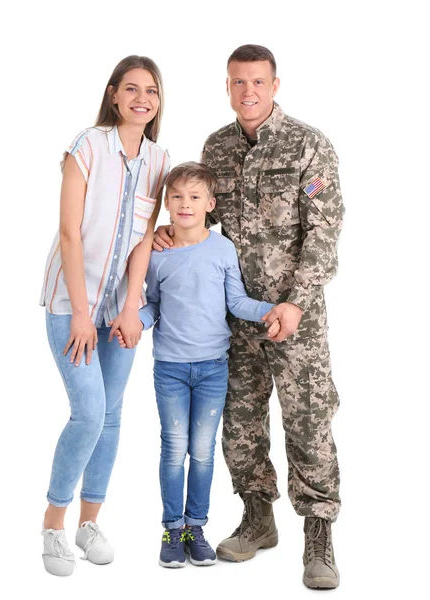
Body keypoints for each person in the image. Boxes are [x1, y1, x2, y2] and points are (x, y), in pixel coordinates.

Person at [153, 45, 344, 589]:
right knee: (238, 423)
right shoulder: (215, 148)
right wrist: (170, 234)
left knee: (308, 421)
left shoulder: (309, 145)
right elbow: (197, 215)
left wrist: (296, 300)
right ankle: (258, 518)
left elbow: (324, 234)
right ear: (228, 86)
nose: (248, 92)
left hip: (294, 316)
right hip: (232, 320)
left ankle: (320, 532)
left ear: (275, 85)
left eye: (258, 82)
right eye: (238, 82)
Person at [39, 55, 170, 576]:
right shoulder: (88, 145)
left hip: (119, 313)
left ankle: (89, 522)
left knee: (112, 414)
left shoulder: (160, 159)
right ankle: (53, 524)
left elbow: (142, 241)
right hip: (72, 306)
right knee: (89, 412)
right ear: (114, 94)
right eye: (132, 89)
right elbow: (70, 232)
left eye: (152, 91)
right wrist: (81, 314)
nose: (142, 98)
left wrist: (133, 307)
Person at [117, 162, 280, 568]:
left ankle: (196, 528)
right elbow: (153, 303)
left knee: (203, 452)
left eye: (194, 197)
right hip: (170, 368)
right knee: (174, 450)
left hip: (212, 368)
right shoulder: (156, 254)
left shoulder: (223, 249)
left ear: (210, 204)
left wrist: (272, 309)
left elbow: (236, 302)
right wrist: (136, 321)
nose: (185, 204)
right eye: (176, 197)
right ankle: (173, 530)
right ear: (166, 204)